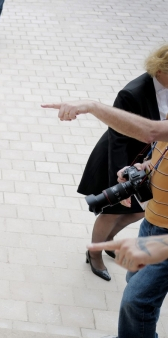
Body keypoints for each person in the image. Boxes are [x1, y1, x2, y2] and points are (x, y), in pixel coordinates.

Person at [42, 44, 168, 338]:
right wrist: (143, 167)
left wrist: (92, 105)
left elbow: (153, 132)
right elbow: (160, 145)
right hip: (157, 217)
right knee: (138, 288)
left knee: (137, 298)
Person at [78, 58, 164, 281]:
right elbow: (117, 140)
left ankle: (109, 238)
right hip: (119, 157)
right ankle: (94, 252)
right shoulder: (133, 92)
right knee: (112, 211)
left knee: (140, 209)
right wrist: (119, 180)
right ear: (161, 69)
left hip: (150, 160)